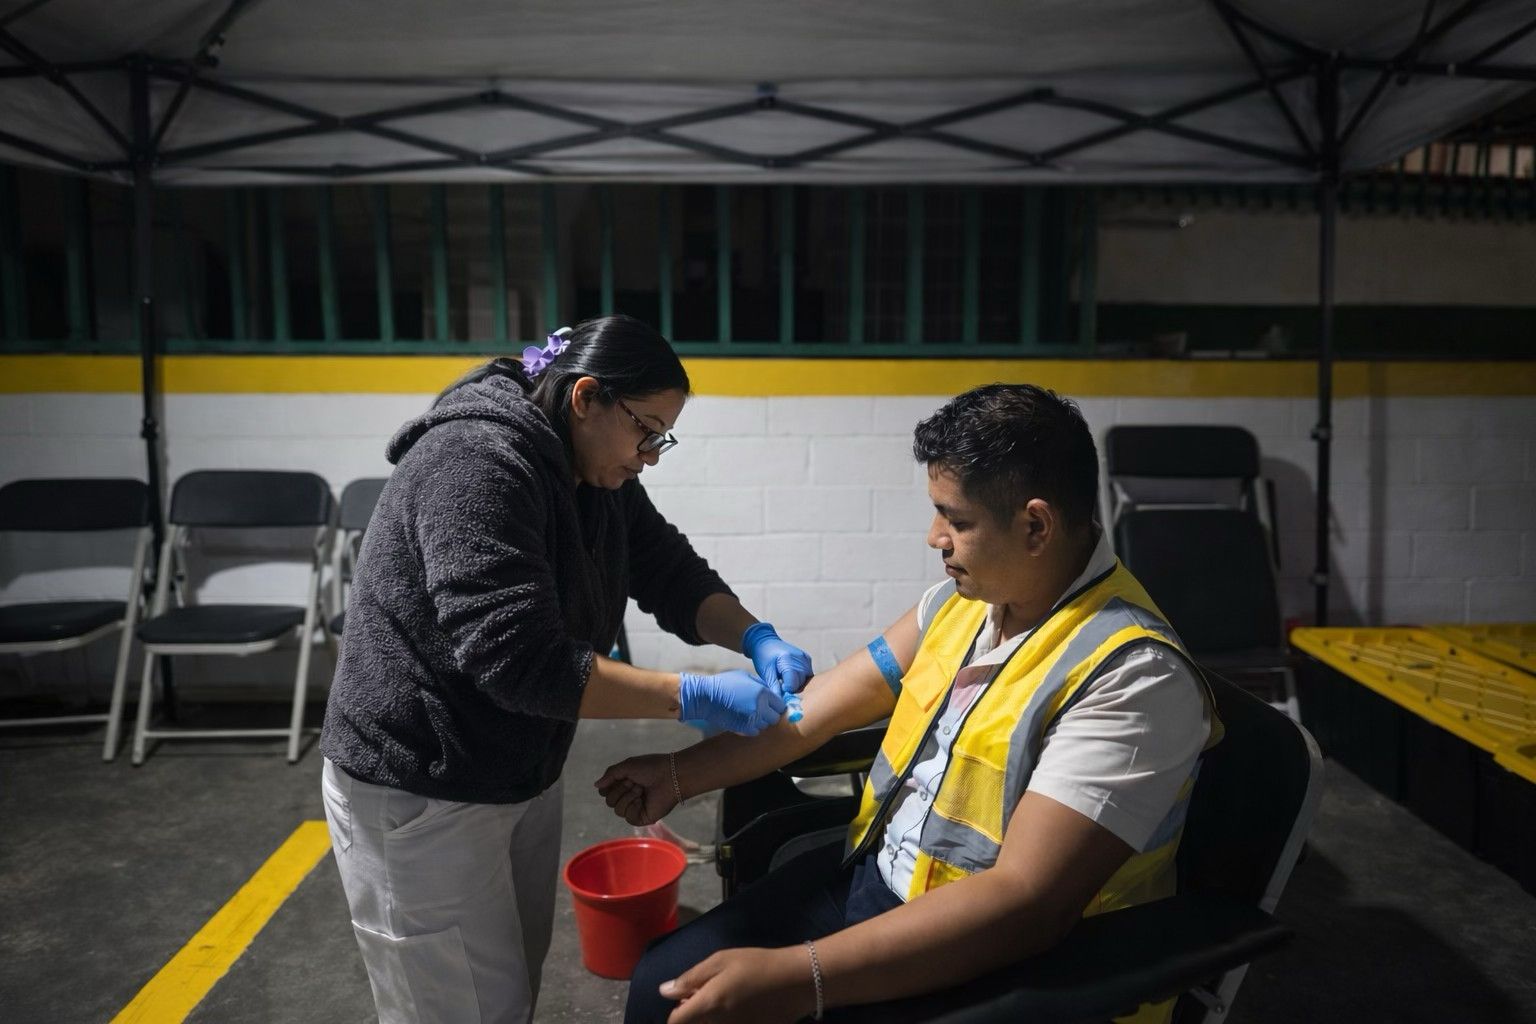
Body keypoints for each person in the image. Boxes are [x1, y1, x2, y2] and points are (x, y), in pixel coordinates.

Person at [598, 383, 1222, 1024]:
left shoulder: (1132, 678)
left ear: (1035, 525)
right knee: (663, 982)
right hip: (882, 877)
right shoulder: (961, 606)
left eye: (956, 520)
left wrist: (798, 978)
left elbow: (1027, 901)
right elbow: (816, 711)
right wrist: (678, 774)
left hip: (998, 955)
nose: (934, 538)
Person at [319, 314, 814, 1024]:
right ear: (586, 398)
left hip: (514, 765)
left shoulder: (591, 470)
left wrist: (754, 636)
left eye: (663, 438)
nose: (650, 456)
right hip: (421, 782)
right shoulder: (474, 462)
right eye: (647, 431)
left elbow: (666, 568)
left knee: (508, 986)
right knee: (457, 1007)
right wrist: (691, 694)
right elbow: (521, 661)